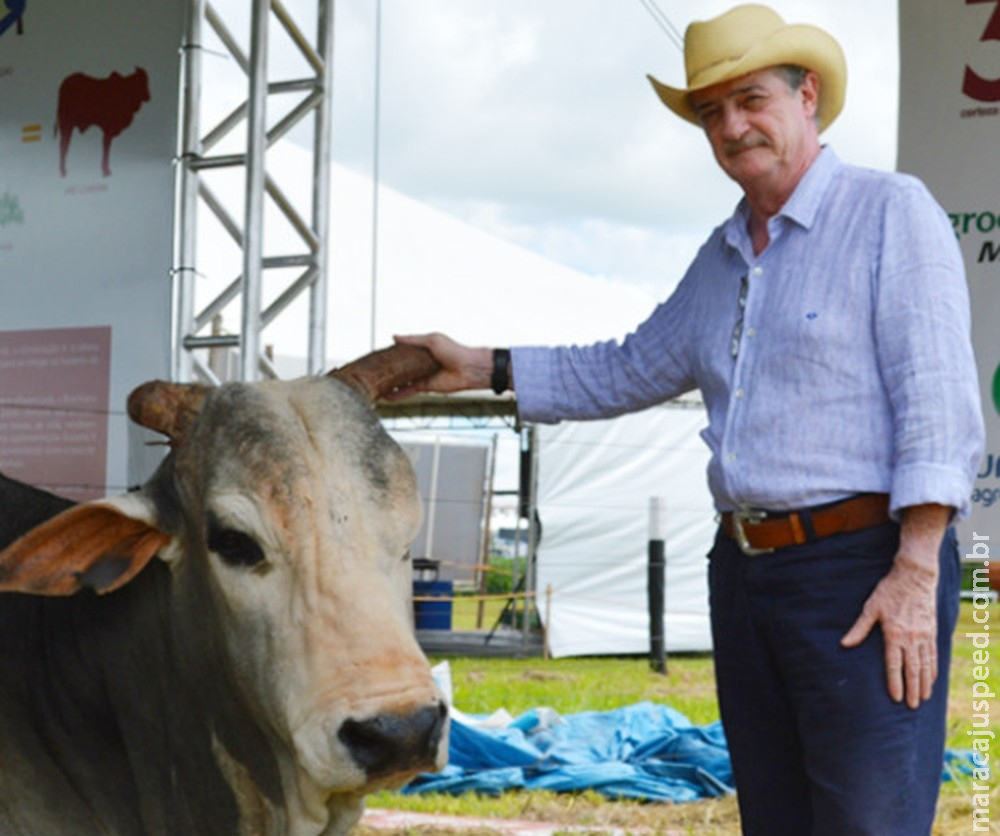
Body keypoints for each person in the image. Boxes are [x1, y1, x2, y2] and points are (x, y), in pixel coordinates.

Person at [394, 4, 984, 835]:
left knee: (867, 823)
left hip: (864, 572)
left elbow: (939, 404)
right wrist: (483, 366)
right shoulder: (720, 255)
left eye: (751, 100)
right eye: (711, 113)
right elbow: (626, 366)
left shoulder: (891, 211)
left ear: (806, 94)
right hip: (743, 576)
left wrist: (917, 570)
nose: (733, 127)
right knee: (775, 819)